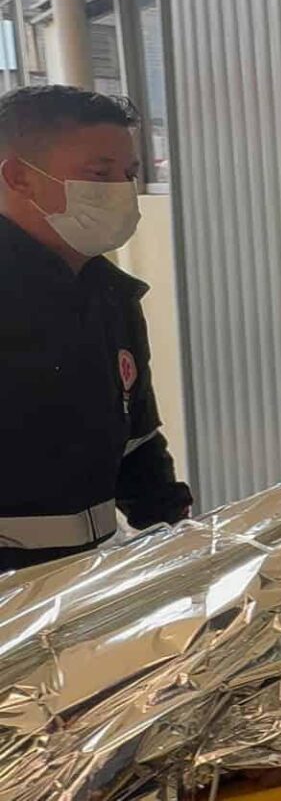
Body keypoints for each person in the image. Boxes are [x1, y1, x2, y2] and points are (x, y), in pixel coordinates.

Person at [0, 85, 191, 573]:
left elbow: (137, 441)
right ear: (20, 177)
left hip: (88, 580)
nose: (121, 191)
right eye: (100, 174)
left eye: (129, 174)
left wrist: (177, 537)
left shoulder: (112, 297)